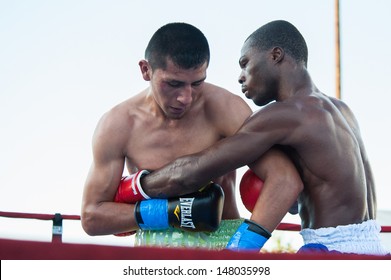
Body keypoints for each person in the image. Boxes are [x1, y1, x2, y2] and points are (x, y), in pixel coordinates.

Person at [139, 20, 389, 255]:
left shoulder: (287, 113)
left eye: (245, 62)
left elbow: (192, 172)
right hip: (373, 248)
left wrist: (134, 190)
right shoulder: (340, 110)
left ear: (276, 55)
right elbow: (312, 197)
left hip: (331, 253)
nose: (240, 76)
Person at [81, 22, 301, 249]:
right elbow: (91, 217)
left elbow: (284, 179)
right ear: (146, 70)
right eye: (173, 84)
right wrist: (166, 213)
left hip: (223, 240)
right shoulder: (118, 125)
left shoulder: (225, 109)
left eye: (197, 82)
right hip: (154, 248)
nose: (185, 97)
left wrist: (242, 248)